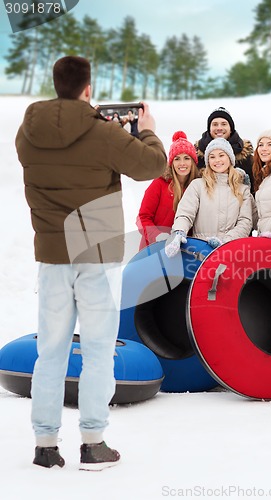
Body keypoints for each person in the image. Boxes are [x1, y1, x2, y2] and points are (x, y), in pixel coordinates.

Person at [15, 55, 167, 470]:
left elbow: (65, 150)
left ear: (55, 83)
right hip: (96, 253)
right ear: (88, 88)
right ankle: (93, 444)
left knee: (50, 352)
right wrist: (145, 132)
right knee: (98, 350)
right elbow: (154, 164)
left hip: (52, 256)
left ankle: (45, 445)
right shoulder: (104, 135)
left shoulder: (27, 134)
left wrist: (95, 125)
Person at [165, 137, 254, 257]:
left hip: (230, 251)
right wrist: (179, 232)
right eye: (212, 157)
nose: (217, 160)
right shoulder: (198, 185)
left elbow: (245, 222)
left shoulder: (243, 190)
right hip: (199, 252)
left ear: (230, 158)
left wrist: (225, 242)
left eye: (221, 155)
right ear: (208, 161)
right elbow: (185, 213)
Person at [136, 131, 199, 249]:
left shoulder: (197, 187)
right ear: (171, 163)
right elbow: (143, 217)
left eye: (186, 158)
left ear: (193, 162)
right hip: (155, 248)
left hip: (184, 250)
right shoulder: (159, 184)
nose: (182, 163)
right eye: (177, 159)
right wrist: (157, 235)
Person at [194, 106, 254, 192]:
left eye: (224, 124)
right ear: (209, 129)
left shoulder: (246, 157)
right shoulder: (197, 155)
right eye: (215, 124)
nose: (219, 128)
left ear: (231, 129)